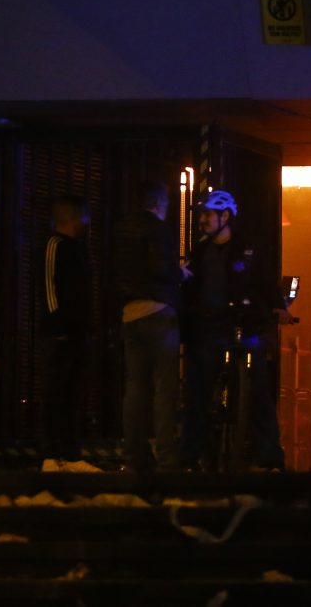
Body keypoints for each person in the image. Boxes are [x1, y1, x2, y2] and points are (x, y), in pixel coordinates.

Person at [180, 190, 291, 471]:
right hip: (208, 326)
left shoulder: (248, 249)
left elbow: (267, 283)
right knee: (197, 389)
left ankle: (269, 455)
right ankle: (191, 455)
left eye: (208, 214)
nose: (202, 220)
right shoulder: (200, 252)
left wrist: (278, 308)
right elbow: (190, 290)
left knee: (258, 389)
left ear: (225, 216)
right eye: (202, 214)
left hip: (244, 325)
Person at [113, 180, 186, 473]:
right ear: (160, 204)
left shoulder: (120, 230)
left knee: (134, 388)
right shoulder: (158, 230)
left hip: (130, 314)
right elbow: (162, 268)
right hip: (158, 312)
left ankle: (134, 455)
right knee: (164, 389)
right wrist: (179, 274)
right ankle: (167, 457)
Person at [39, 195, 91, 464]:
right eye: (85, 215)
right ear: (74, 217)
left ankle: (71, 455)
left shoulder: (77, 248)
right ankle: (50, 453)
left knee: (72, 394)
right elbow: (50, 288)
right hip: (58, 333)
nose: (88, 221)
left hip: (76, 333)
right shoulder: (55, 245)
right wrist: (57, 324)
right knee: (54, 393)